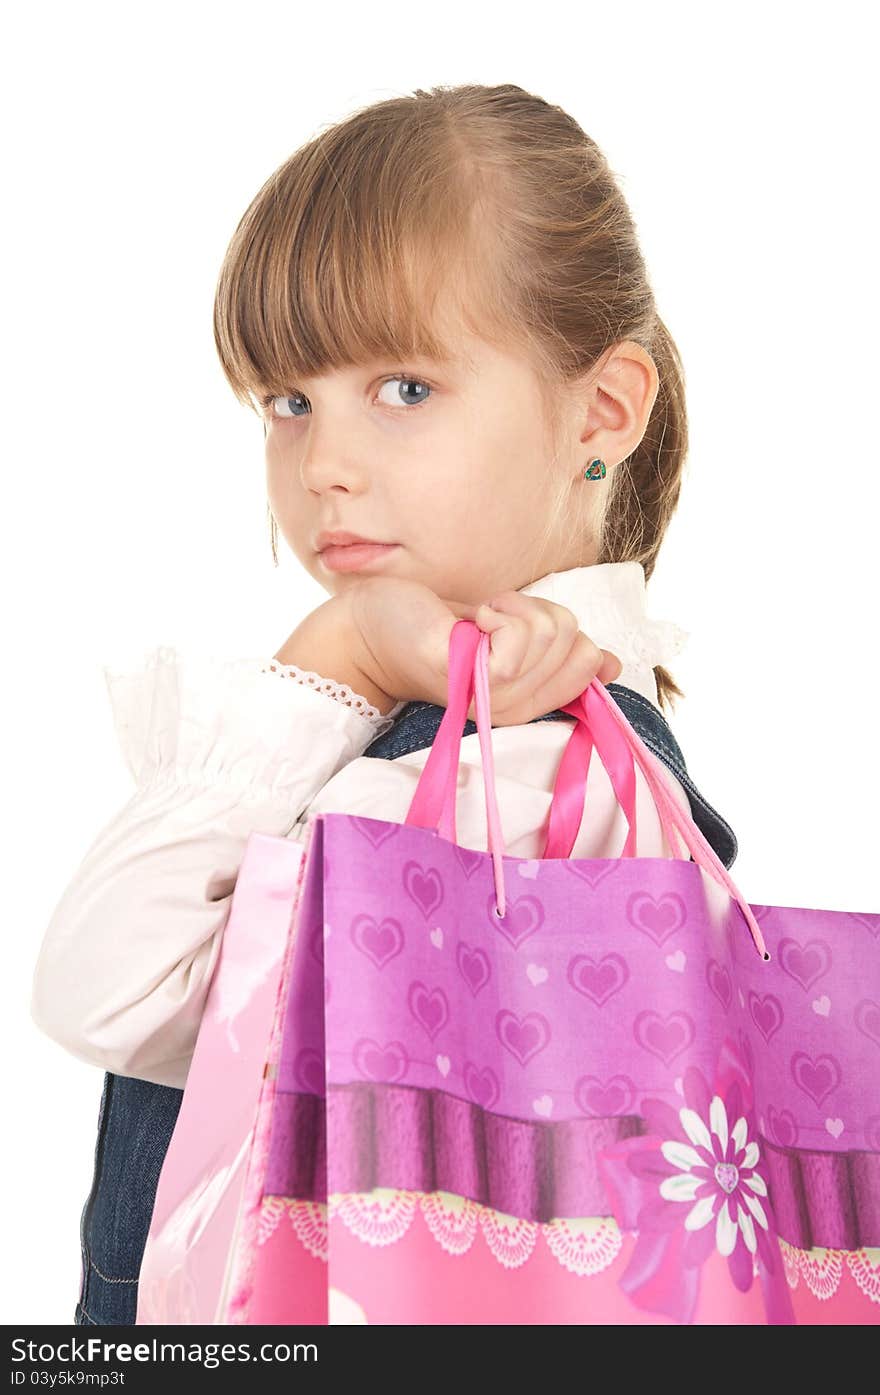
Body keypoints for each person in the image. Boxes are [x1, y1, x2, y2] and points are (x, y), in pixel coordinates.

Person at [30, 82, 740, 1325]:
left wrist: (343, 647)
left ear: (602, 411)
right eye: (288, 402)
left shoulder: (523, 766)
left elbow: (112, 989)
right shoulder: (478, 734)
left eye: (404, 389)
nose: (325, 466)